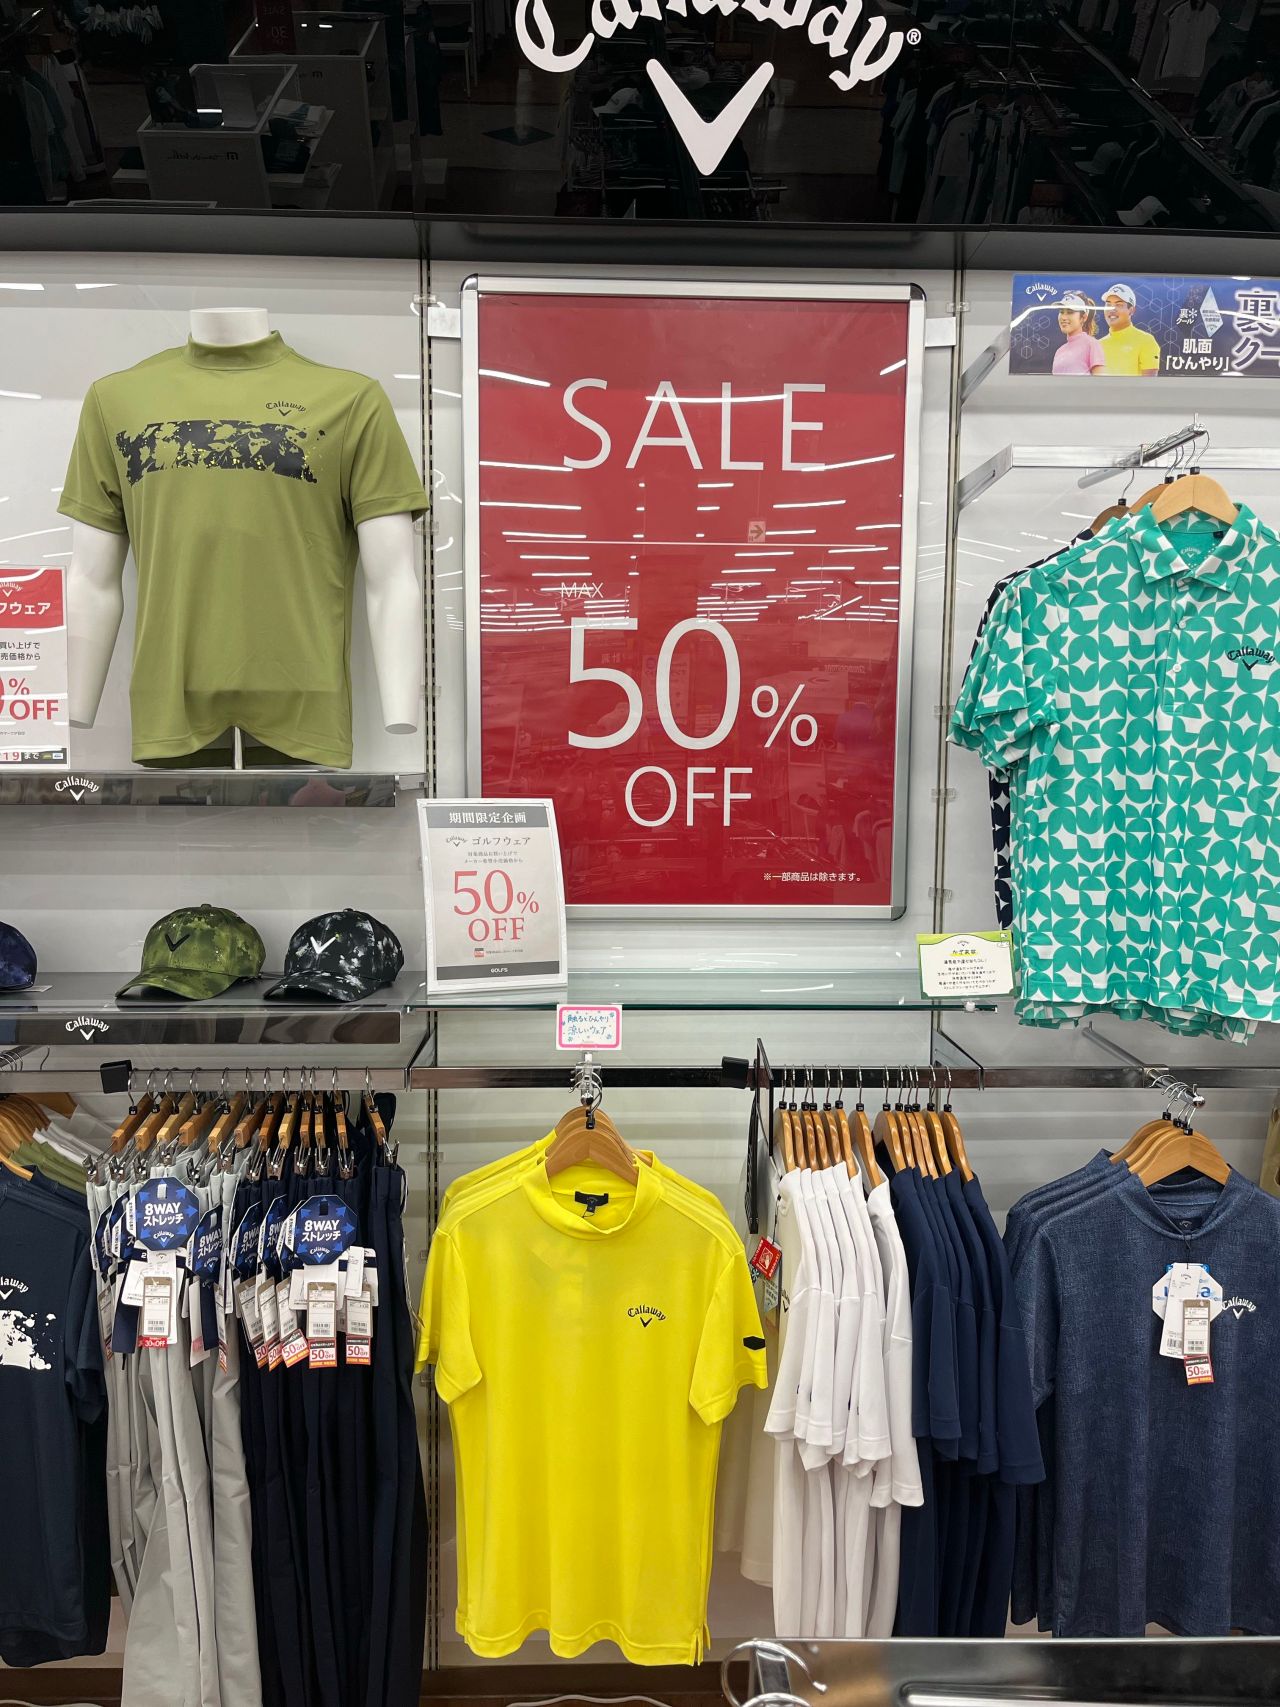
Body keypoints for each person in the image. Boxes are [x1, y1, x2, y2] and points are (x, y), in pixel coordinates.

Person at [1099, 283, 1162, 376]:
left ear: (1131, 310)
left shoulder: (1146, 341)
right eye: (1108, 304)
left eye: (1118, 305)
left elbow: (1149, 383)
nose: (1112, 309)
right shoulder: (1098, 345)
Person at [1051, 291, 1106, 375]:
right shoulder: (1059, 351)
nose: (1064, 317)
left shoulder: (1092, 344)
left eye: (1070, 312)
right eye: (1061, 312)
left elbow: (1101, 381)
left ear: (1083, 317)